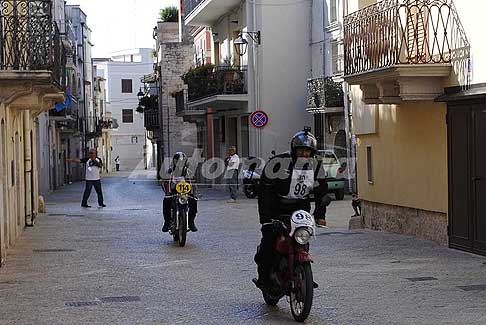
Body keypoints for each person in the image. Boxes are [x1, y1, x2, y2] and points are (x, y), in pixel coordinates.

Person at [254, 130, 329, 289]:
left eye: (307, 151)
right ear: (294, 150)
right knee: (268, 244)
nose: (304, 153)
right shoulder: (278, 163)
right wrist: (266, 219)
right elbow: (265, 191)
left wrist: (319, 214)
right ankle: (264, 278)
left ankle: (302, 272)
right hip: (276, 209)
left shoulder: (316, 167)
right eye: (300, 150)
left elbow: (321, 193)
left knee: (302, 239)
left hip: (300, 209)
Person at [162, 152, 198, 232]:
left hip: (185, 193)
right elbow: (164, 182)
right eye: (178, 161)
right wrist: (167, 192)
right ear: (174, 161)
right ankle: (167, 223)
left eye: (182, 161)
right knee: (166, 202)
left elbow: (193, 182)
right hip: (173, 193)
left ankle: (191, 222)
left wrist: (193, 193)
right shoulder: (170, 171)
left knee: (194, 201)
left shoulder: (188, 172)